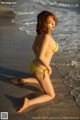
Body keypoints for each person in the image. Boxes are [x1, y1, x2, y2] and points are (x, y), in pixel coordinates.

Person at [11, 10, 59, 113]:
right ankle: (28, 102)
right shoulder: (47, 37)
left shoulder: (40, 33)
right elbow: (42, 56)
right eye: (50, 22)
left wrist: (40, 61)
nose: (53, 23)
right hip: (40, 70)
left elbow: (34, 47)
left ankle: (24, 80)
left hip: (34, 66)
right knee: (51, 95)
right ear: (43, 24)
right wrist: (48, 67)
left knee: (42, 79)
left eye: (53, 21)